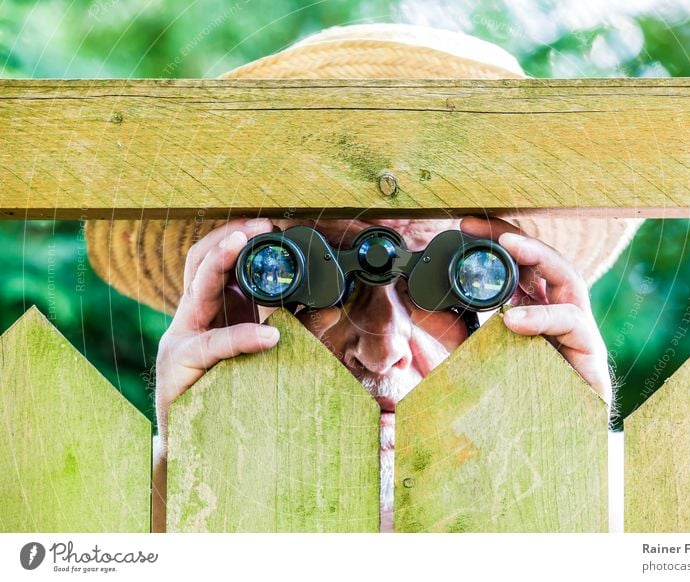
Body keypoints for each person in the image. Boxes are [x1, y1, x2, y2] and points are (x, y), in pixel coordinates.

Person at [85, 24, 641, 532]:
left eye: (451, 278)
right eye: (309, 272)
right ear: (247, 293)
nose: (382, 349)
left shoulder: (629, 502)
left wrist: (566, 449)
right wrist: (187, 462)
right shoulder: (161, 500)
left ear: (515, 297)